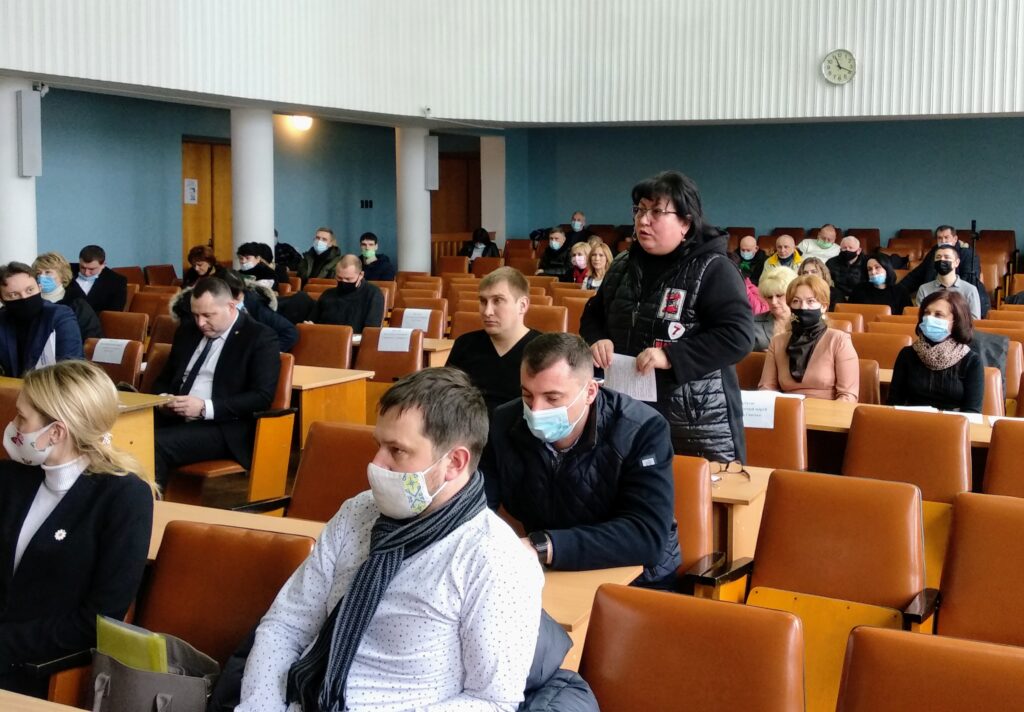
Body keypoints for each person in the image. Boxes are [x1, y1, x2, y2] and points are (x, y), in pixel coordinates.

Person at [237, 368, 543, 711]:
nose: (376, 464)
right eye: (378, 445)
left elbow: (492, 702)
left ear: (454, 463)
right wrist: (260, 706)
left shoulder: (494, 559)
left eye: (397, 450)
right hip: (302, 698)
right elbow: (286, 625)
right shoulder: (358, 512)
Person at [0, 360, 154, 697]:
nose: (13, 426)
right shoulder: (12, 477)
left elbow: (98, 621)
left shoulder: (124, 497)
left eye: (22, 418)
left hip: (42, 665)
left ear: (56, 432)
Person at [480, 333, 679, 587]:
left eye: (552, 398)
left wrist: (543, 545)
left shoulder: (642, 429)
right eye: (527, 395)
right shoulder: (505, 422)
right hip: (545, 571)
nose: (536, 410)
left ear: (590, 392)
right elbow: (479, 506)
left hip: (637, 577)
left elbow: (646, 536)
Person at [581, 170, 753, 462]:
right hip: (627, 413)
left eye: (656, 212)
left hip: (694, 421)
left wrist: (672, 356)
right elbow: (593, 314)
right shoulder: (622, 265)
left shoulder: (714, 268)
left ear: (686, 222)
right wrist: (597, 339)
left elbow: (738, 337)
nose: (643, 220)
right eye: (640, 210)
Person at [151, 277, 280, 488]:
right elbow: (164, 378)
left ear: (231, 306)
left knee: (151, 444)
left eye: (208, 315)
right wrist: (164, 400)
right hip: (175, 416)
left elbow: (261, 397)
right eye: (196, 315)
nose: (200, 323)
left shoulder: (259, 337)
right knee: (118, 432)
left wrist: (205, 408)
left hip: (223, 425)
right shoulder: (187, 331)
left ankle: (149, 505)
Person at [447, 267, 541, 414]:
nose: (487, 311)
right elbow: (445, 397)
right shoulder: (464, 344)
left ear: (522, 305)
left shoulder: (544, 350)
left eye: (498, 301)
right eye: (483, 301)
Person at [759, 274, 859, 402]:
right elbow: (766, 389)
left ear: (823, 307)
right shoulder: (777, 342)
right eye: (796, 301)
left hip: (827, 411)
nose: (803, 307)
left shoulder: (839, 340)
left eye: (810, 301)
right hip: (788, 410)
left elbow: (848, 395)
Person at [888, 290, 984, 413]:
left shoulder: (971, 361)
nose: (929, 318)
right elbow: (894, 402)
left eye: (938, 315)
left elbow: (972, 411)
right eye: (926, 313)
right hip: (912, 420)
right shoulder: (907, 355)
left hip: (954, 423)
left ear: (956, 321)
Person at [172, 271, 298, 353]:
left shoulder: (253, 303)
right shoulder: (194, 309)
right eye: (234, 296)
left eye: (240, 295)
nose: (239, 300)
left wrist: (263, 353)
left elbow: (289, 332)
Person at [0, 263, 83, 378]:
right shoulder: (2, 319)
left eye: (30, 290)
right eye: (14, 295)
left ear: (39, 288)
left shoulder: (59, 316)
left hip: (51, 386)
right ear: (2, 299)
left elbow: (71, 366)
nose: (24, 297)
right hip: (9, 387)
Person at [899, 225, 988, 316]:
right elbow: (918, 274)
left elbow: (969, 280)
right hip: (935, 292)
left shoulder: (968, 254)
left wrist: (946, 294)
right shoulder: (934, 252)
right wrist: (899, 289)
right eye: (940, 238)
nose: (943, 241)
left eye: (946, 237)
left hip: (960, 300)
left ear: (955, 239)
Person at [33, 252, 102, 341]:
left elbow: (92, 337)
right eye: (38, 273)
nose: (42, 277)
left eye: (48, 272)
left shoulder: (77, 304)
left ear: (62, 274)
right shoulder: (31, 302)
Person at [306, 255, 385, 333]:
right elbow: (312, 321)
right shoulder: (327, 294)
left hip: (355, 340)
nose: (343, 282)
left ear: (361, 275)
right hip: (324, 337)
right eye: (339, 278)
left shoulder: (373, 295)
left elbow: (371, 331)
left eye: (348, 279)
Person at [915, 244, 982, 319]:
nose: (942, 260)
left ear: (956, 263)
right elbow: (920, 318)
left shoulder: (970, 290)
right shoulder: (924, 289)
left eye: (947, 257)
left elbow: (974, 320)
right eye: (938, 257)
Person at [69, 245, 127, 314]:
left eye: (92, 269)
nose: (86, 273)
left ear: (103, 265)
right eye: (82, 267)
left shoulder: (117, 282)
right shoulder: (67, 270)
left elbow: (113, 314)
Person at [752, 267, 797, 352]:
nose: (773, 302)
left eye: (779, 295)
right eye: (769, 297)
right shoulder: (753, 322)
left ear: (792, 294)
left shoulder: (804, 322)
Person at [826, 236, 866, 303]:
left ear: (859, 251)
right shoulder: (831, 262)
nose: (847, 250)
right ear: (840, 249)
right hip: (838, 296)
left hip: (861, 296)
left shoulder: (867, 262)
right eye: (844, 248)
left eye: (851, 248)